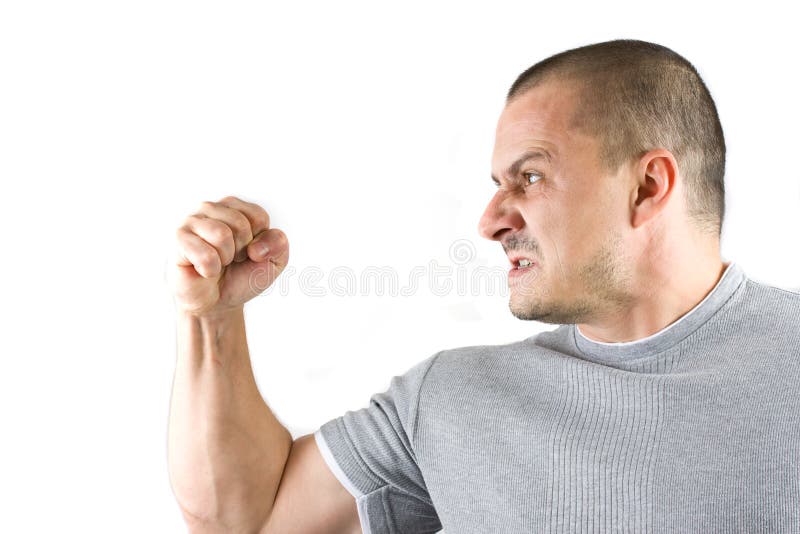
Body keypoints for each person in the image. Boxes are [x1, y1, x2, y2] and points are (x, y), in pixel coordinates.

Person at [166, 39, 800, 533]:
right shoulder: (454, 399)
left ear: (648, 187)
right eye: (497, 184)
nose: (491, 220)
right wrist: (211, 319)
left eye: (529, 178)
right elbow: (249, 520)